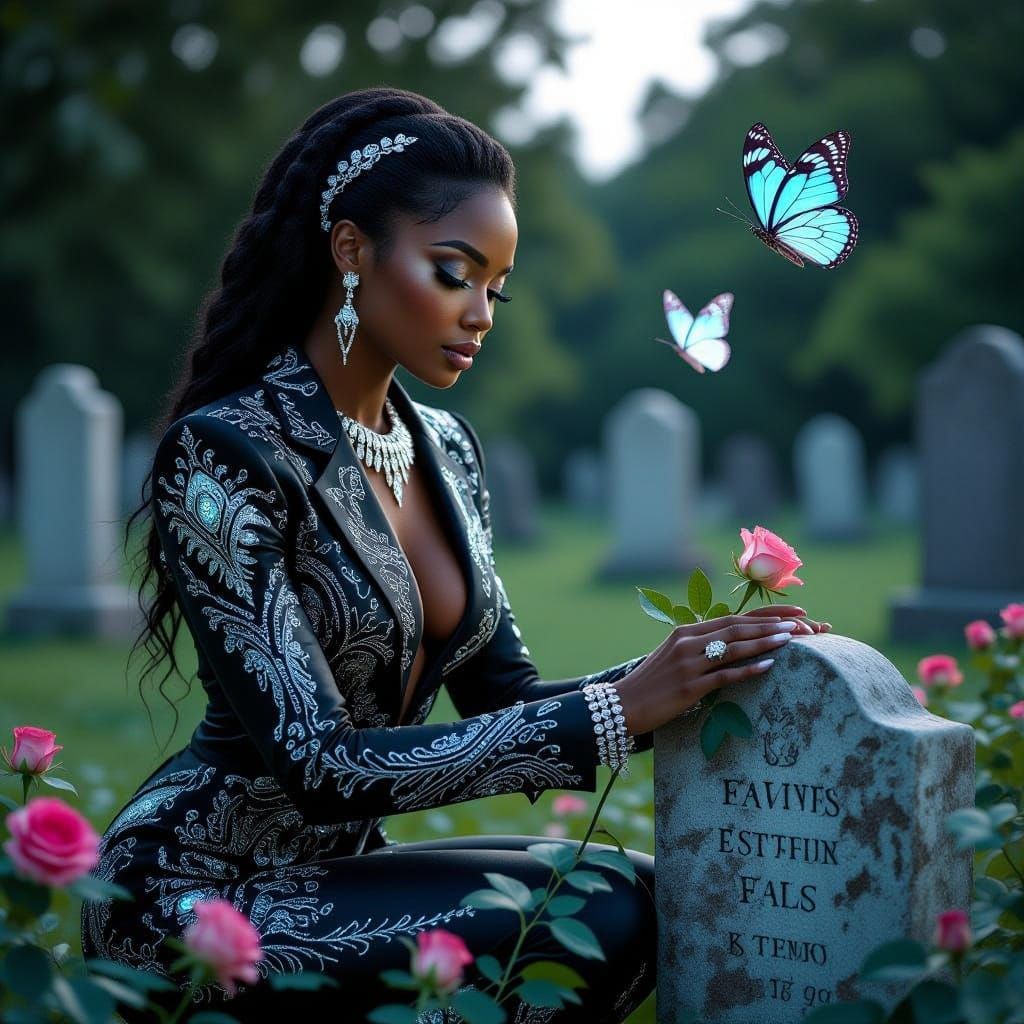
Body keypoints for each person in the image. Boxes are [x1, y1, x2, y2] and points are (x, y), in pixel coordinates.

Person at [81, 87, 829, 1022]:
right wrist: (617, 708)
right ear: (350, 251)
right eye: (453, 273)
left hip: (336, 871)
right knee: (589, 916)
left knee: (635, 888)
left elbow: (505, 698)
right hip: (193, 893)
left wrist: (698, 668)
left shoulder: (449, 451)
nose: (481, 313)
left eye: (495, 287)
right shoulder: (225, 455)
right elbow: (319, 765)